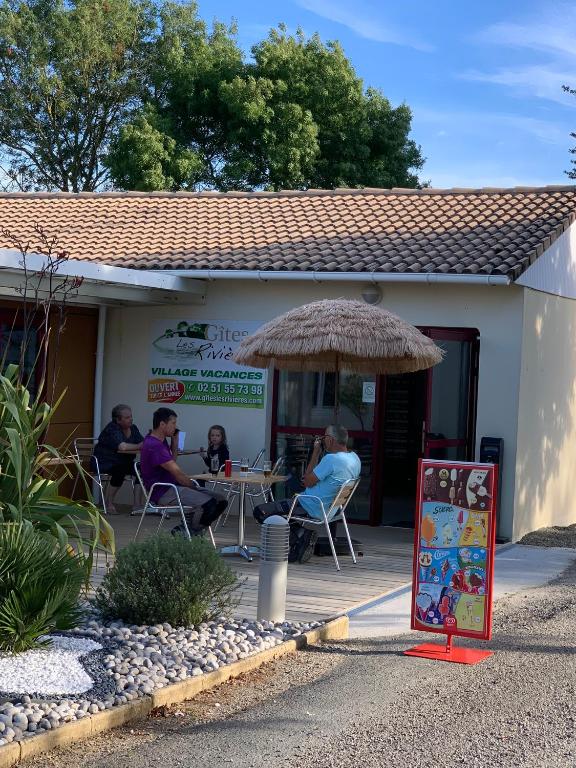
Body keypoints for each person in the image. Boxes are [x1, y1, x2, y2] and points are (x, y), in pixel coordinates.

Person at [253, 424, 361, 563]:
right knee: (284, 507)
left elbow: (307, 481)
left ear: (330, 439)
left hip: (310, 505)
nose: (322, 440)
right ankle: (301, 539)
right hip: (332, 509)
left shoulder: (331, 460)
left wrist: (316, 452)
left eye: (324, 437)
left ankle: (302, 534)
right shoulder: (354, 458)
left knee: (260, 512)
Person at [140, 407, 228, 535]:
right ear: (162, 424)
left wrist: (174, 443)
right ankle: (189, 531)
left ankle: (187, 529)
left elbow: (172, 463)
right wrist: (193, 487)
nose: (176, 427)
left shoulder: (161, 440)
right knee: (209, 504)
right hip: (164, 491)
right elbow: (178, 473)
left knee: (221, 501)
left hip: (173, 486)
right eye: (173, 423)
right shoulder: (155, 446)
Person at [93, 404, 143, 514]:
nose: (131, 419)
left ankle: (137, 505)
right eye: (127, 417)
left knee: (142, 468)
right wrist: (140, 446)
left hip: (123, 462)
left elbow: (142, 442)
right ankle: (108, 503)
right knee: (120, 469)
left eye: (131, 416)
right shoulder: (112, 428)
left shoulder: (133, 429)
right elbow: (122, 447)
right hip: (104, 462)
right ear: (118, 420)